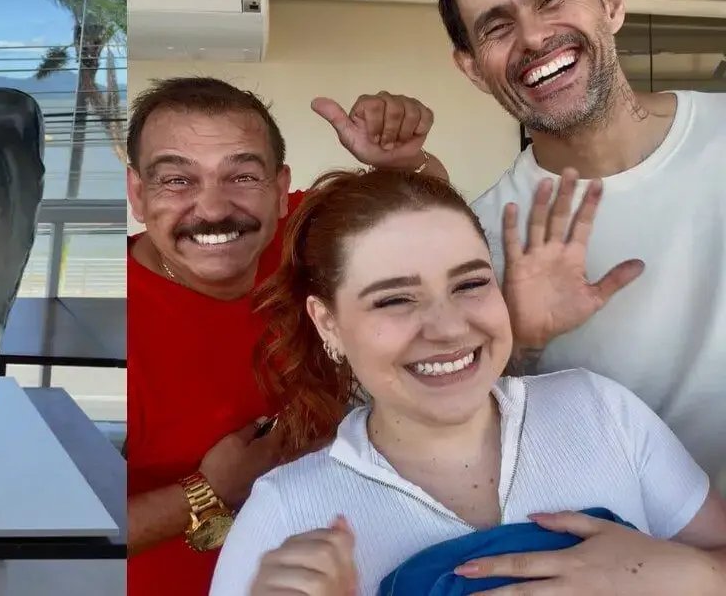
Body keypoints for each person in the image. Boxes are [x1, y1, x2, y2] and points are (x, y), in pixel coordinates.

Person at [205, 168, 726, 596]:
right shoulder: (287, 511)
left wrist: (692, 574)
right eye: (394, 298)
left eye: (470, 283)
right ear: (328, 324)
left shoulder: (599, 410)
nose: (451, 327)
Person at [126, 76, 448, 596]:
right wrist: (208, 493)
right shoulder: (114, 325)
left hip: (351, 561)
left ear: (280, 191)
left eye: (243, 176)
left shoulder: (302, 234)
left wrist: (402, 164)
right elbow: (75, 526)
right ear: (138, 195)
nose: (212, 209)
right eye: (177, 180)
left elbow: (427, 224)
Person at [436, 0, 726, 489]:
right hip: (613, 554)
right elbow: (459, 442)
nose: (534, 37)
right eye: (497, 28)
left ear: (611, 2)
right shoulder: (474, 245)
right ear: (474, 69)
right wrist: (518, 343)